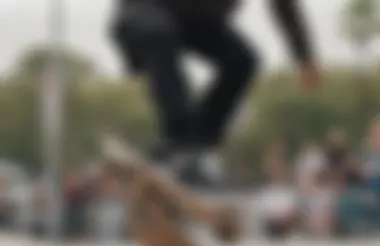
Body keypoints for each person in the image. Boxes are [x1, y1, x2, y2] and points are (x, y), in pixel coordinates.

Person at [111, 0, 321, 184]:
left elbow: (284, 5)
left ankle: (197, 146)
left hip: (194, 22)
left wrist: (304, 56)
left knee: (242, 61)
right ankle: (181, 137)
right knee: (159, 32)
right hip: (142, 11)